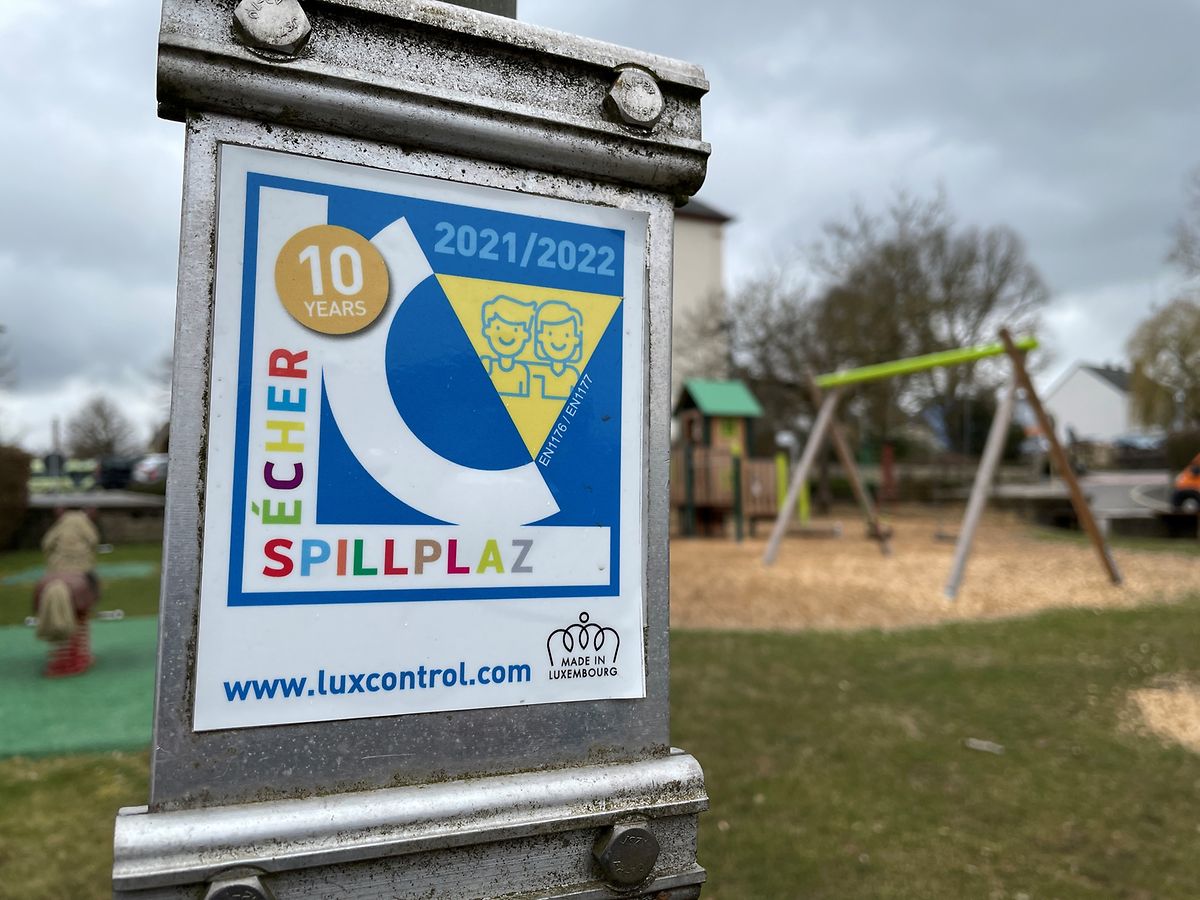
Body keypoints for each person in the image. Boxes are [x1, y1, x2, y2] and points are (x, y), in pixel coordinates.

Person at [34, 508, 100, 676]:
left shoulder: (58, 529)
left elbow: (46, 544)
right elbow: (93, 540)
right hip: (81, 573)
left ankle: (61, 654)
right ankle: (78, 654)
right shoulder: (85, 526)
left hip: (55, 573)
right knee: (81, 619)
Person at [480, 295, 537, 398]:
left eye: (515, 330)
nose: (507, 335)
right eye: (498, 327)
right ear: (488, 330)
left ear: (525, 335)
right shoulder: (488, 364)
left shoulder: (522, 371)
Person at [531, 300, 584, 400]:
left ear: (576, 339)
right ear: (540, 336)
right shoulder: (538, 372)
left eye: (566, 335)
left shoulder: (572, 374)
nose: (558, 340)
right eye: (550, 333)